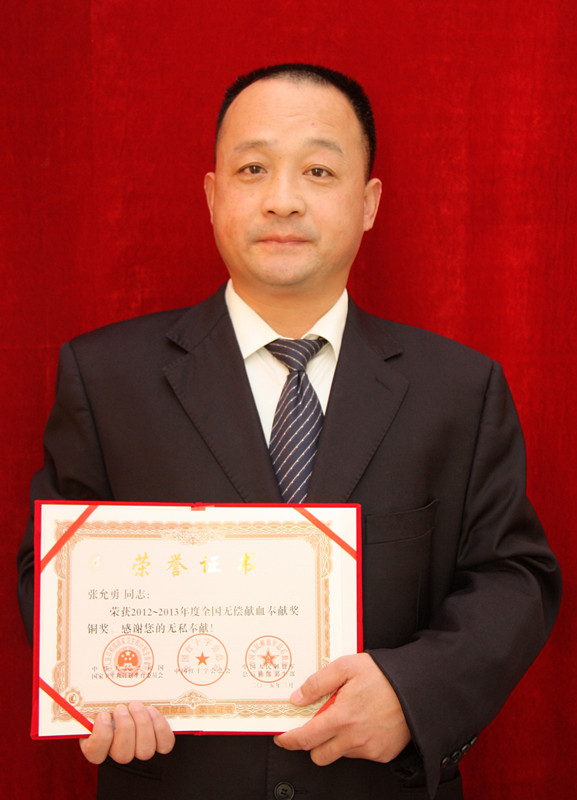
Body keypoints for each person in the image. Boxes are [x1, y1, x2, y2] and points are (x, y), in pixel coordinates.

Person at [17, 63, 561, 800]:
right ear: (212, 195)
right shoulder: (106, 377)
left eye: (317, 171)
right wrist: (92, 682)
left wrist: (412, 693)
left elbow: (513, 576)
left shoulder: (459, 390)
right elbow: (52, 566)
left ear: (368, 203)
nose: (282, 199)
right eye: (252, 168)